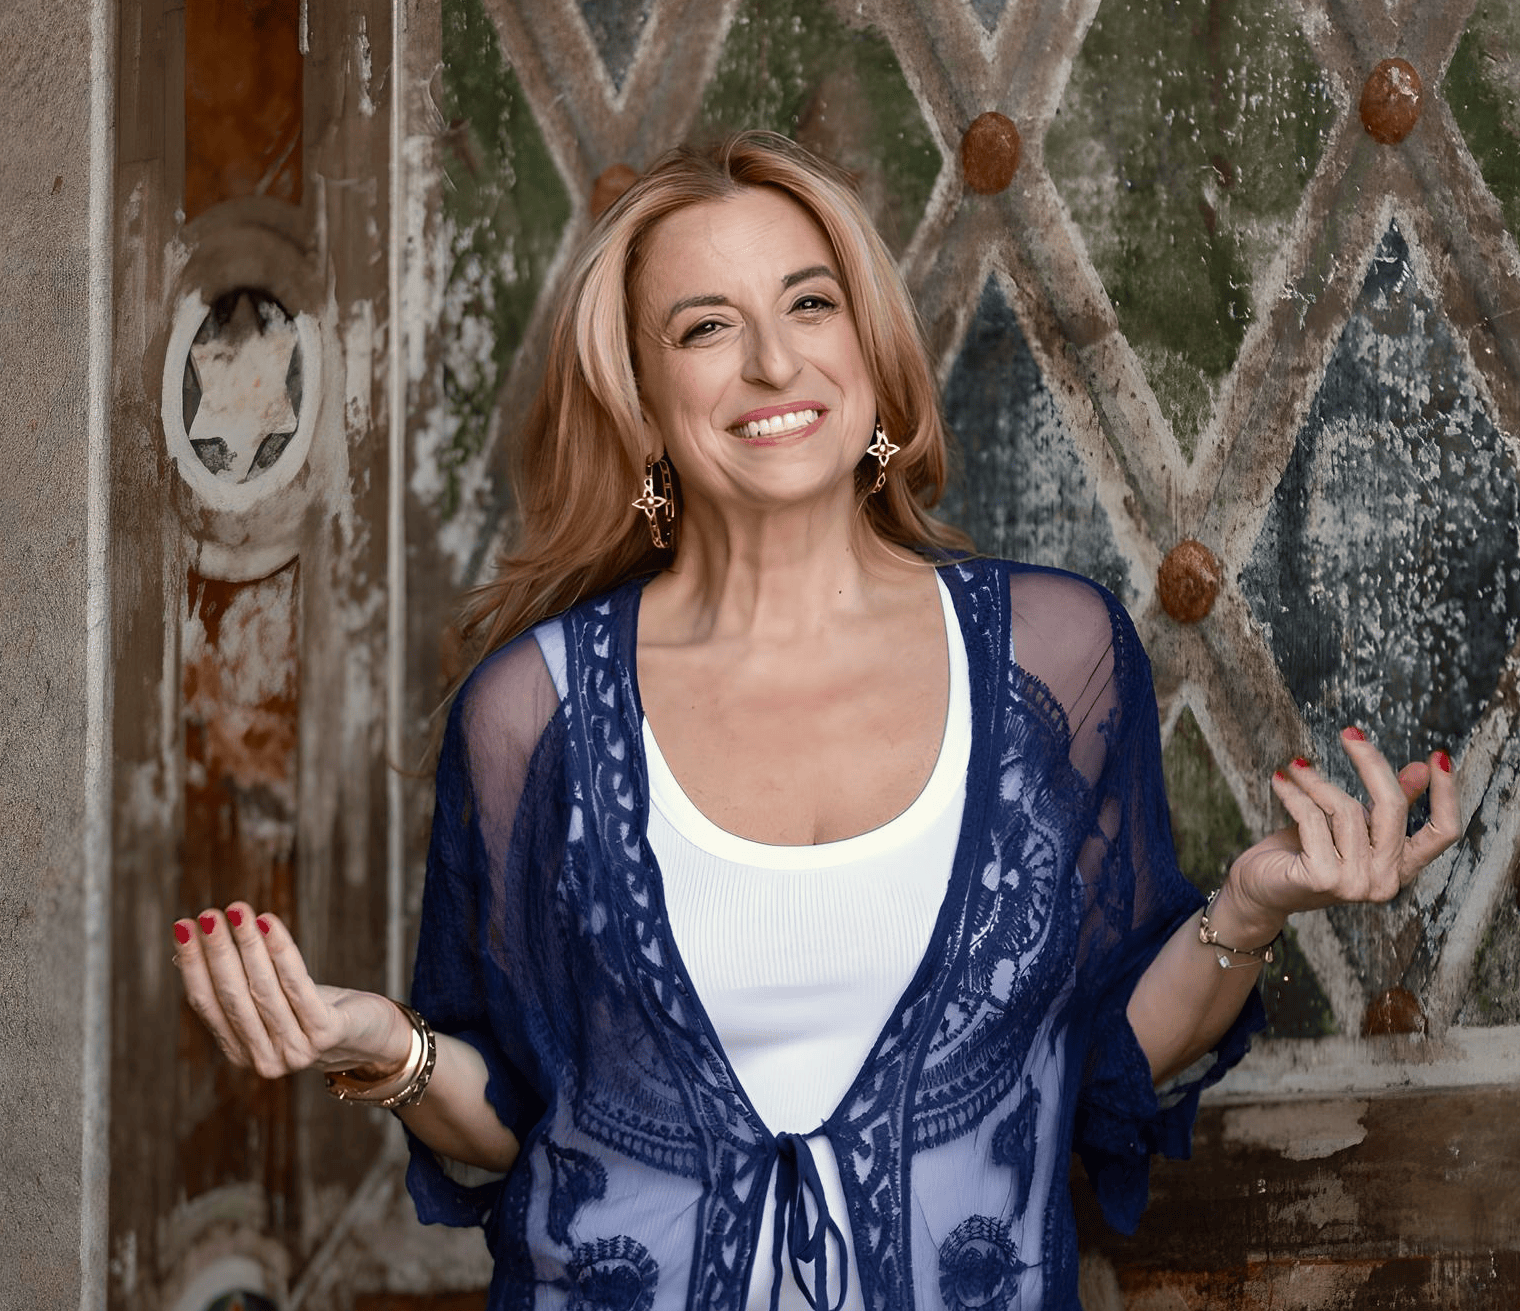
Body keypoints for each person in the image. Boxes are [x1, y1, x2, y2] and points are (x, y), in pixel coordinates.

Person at [172, 132, 1459, 1310]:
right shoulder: (537, 709)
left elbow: (1089, 1067)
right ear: (641, 396)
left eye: (809, 302)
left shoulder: (1049, 663)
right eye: (705, 327)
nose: (774, 362)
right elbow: (519, 1124)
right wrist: (377, 1046)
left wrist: (1247, 905)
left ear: (868, 350)